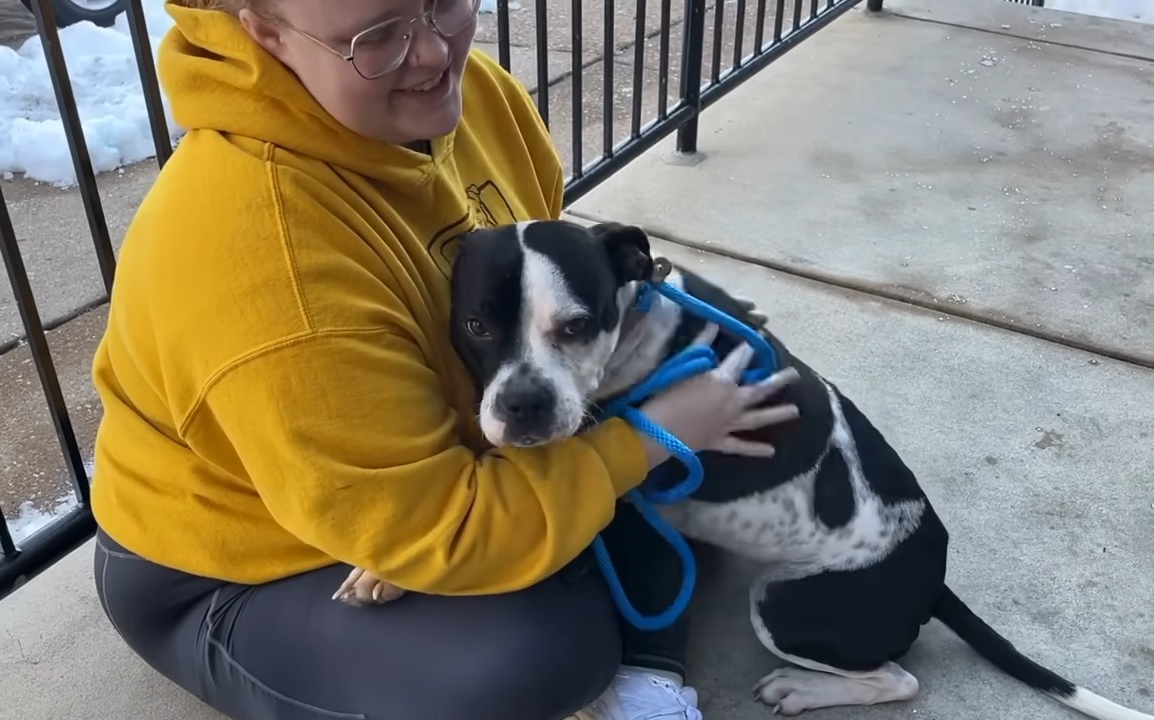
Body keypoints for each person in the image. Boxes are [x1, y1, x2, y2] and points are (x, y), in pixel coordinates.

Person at [87, 0, 801, 716]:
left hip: (410, 473)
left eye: (441, 3)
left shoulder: (470, 94)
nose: (432, 54)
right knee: (539, 652)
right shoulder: (268, 263)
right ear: (268, 34)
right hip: (239, 564)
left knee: (740, 376)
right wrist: (650, 439)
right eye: (378, 36)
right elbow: (446, 532)